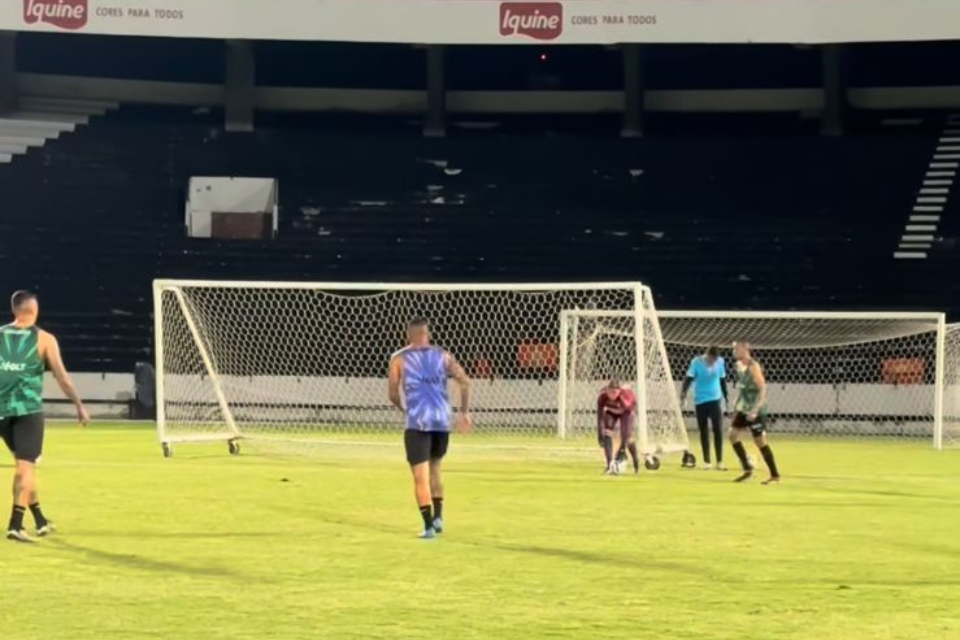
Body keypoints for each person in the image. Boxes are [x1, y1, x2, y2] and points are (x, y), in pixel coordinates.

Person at [1, 291, 89, 543]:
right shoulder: (45, 339)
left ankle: (39, 519)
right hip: (27, 411)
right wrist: (78, 404)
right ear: (34, 309)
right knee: (24, 467)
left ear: (15, 309)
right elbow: (62, 377)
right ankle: (16, 525)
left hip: (1, 412)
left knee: (25, 465)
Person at [388, 318, 471, 539]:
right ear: (428, 334)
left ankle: (428, 528)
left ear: (408, 336)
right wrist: (464, 413)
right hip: (441, 423)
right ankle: (438, 518)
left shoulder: (399, 359)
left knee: (420, 478)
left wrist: (402, 408)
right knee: (436, 469)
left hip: (418, 423)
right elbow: (465, 381)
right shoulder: (444, 356)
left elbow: (393, 393)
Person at [729, 341, 781, 484]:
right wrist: (737, 405)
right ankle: (747, 469)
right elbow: (742, 388)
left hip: (755, 409)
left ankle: (775, 476)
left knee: (760, 442)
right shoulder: (738, 366)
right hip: (743, 408)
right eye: (733, 349)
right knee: (732, 435)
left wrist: (755, 409)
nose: (734, 351)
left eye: (737, 349)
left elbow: (763, 388)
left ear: (745, 350)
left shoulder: (754, 366)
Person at [680, 346, 728, 470]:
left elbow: (722, 380)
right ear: (707, 355)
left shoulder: (721, 362)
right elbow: (688, 379)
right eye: (711, 359)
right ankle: (707, 462)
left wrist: (726, 396)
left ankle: (720, 461)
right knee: (703, 431)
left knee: (718, 429)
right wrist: (683, 395)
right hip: (700, 401)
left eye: (715, 360)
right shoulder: (696, 362)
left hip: (715, 400)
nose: (713, 362)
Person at [596, 380, 640, 475]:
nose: (612, 395)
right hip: (611, 411)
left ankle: (636, 461)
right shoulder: (602, 396)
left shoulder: (625, 397)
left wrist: (622, 449)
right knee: (606, 432)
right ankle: (609, 465)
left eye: (614, 392)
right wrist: (599, 433)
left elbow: (629, 411)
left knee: (626, 437)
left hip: (626, 412)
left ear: (619, 391)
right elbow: (600, 415)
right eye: (610, 392)